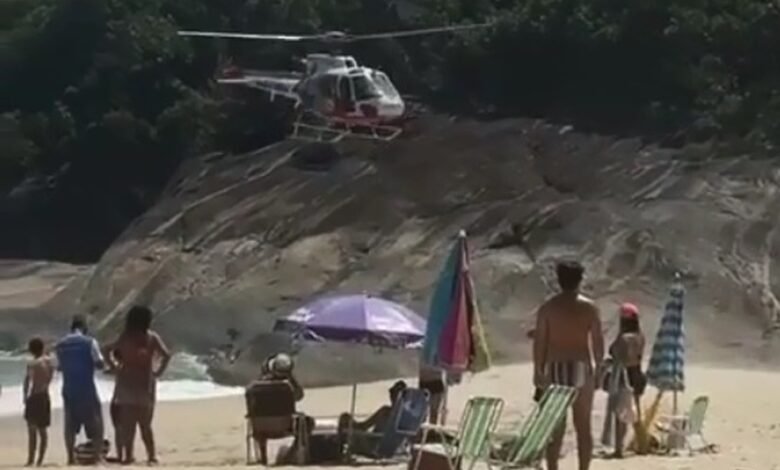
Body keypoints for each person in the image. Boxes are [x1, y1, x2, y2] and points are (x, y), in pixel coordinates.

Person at [533, 261, 604, 470]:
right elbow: (598, 343)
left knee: (555, 428)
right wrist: (599, 368)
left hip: (555, 368)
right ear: (580, 280)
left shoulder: (547, 309)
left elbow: (540, 342)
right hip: (581, 366)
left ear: (559, 280)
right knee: (583, 426)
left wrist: (538, 370)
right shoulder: (589, 308)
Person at [103, 305, 171, 465]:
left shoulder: (125, 337)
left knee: (128, 425)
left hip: (126, 383)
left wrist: (114, 367)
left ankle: (128, 456)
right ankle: (151, 456)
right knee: (145, 425)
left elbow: (106, 349)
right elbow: (166, 355)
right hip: (145, 384)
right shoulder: (151, 337)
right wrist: (158, 372)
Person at [55, 315, 105, 465]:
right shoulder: (90, 342)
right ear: (84, 327)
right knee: (96, 423)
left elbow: (58, 367)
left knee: (69, 424)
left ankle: (70, 458)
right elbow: (99, 363)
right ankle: (97, 457)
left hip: (69, 389)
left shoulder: (61, 344)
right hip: (86, 388)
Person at [605, 302, 647, 458]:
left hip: (624, 375)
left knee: (620, 414)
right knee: (635, 411)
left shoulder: (624, 338)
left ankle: (618, 449)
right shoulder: (640, 336)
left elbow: (616, 353)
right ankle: (642, 445)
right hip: (637, 374)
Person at [337, 380, 407, 455]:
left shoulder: (386, 411)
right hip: (394, 449)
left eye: (392, 393)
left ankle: (338, 449)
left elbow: (364, 426)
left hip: (373, 447)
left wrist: (350, 426)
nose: (390, 396)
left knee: (345, 417)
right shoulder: (408, 417)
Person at [23, 337, 54, 466]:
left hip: (34, 397)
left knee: (32, 431)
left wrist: (25, 396)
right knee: (43, 431)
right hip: (44, 396)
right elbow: (49, 379)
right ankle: (40, 461)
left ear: (31, 350)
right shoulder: (49, 362)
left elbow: (27, 382)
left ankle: (30, 460)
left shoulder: (32, 364)